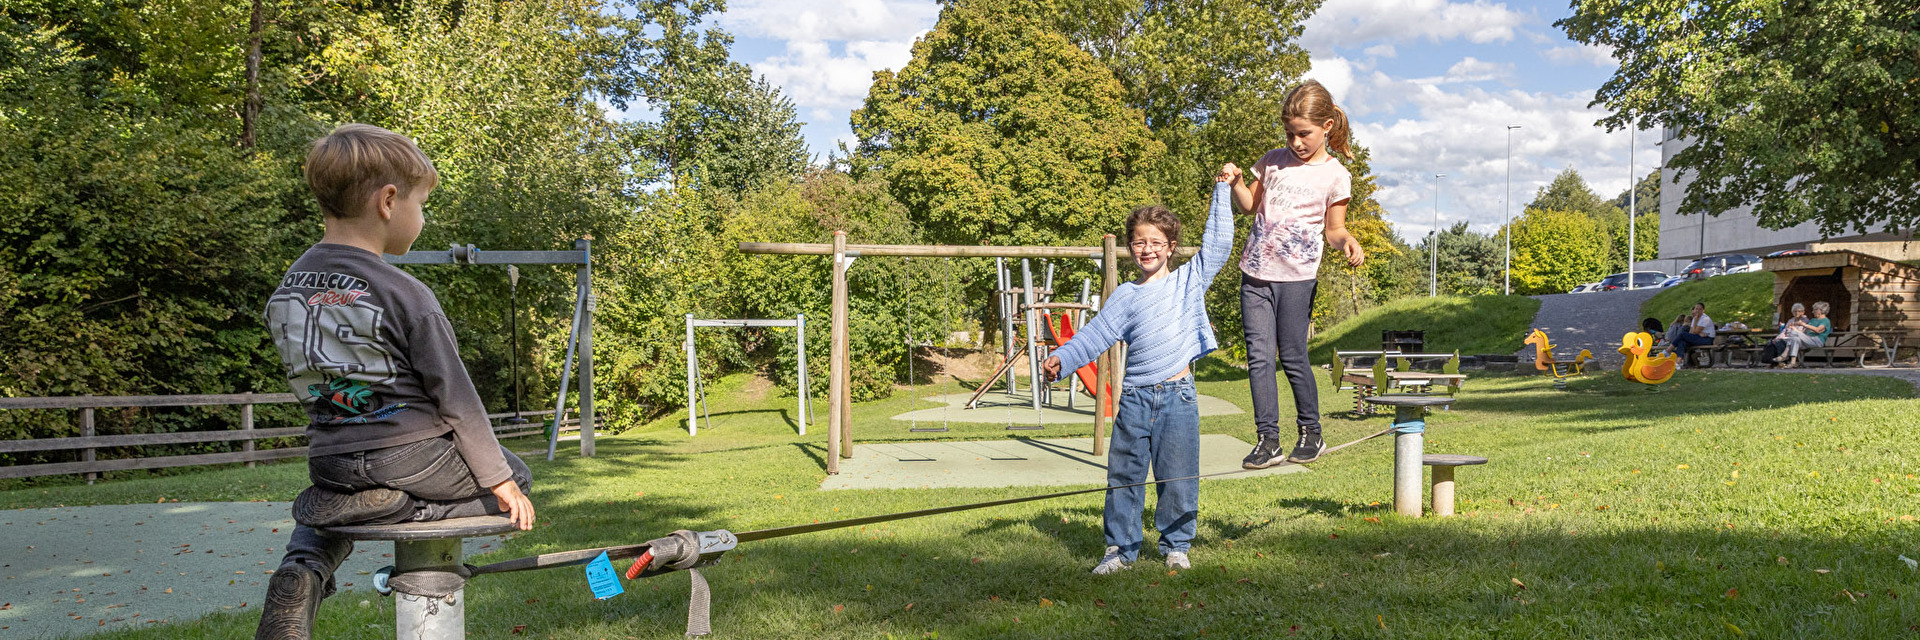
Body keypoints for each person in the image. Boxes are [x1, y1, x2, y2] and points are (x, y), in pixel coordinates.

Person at [256, 124, 536, 639]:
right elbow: (456, 400)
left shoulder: (289, 286)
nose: (422, 218)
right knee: (516, 477)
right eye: (421, 205)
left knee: (331, 509)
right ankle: (409, 506)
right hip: (412, 456)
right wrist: (499, 478)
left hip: (330, 459)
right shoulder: (404, 291)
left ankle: (304, 565)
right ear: (388, 201)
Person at [1040, 176, 1237, 575]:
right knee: (1124, 476)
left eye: (1156, 242)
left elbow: (1218, 244)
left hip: (1178, 396)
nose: (1147, 249)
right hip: (1133, 399)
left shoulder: (1189, 280)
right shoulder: (1125, 296)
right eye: (1139, 242)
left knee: (1178, 477)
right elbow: (1095, 335)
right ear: (1130, 248)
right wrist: (1063, 358)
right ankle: (1119, 551)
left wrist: (1222, 191)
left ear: (1170, 246)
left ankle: (1176, 547)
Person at [1227, 79, 1366, 469]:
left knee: (1292, 355)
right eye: (1290, 133)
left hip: (1297, 278)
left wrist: (1347, 241)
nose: (1296, 142)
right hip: (1255, 274)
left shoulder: (1335, 175)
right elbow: (1249, 206)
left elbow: (1334, 229)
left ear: (1326, 126)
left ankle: (1311, 433)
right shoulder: (1273, 161)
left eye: (1303, 133)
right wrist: (1237, 182)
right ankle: (1267, 440)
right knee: (1258, 358)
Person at [1762, 302, 1831, 368]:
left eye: (1815, 310)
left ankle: (1785, 355)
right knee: (1795, 339)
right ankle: (1793, 362)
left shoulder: (1825, 320)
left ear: (1821, 310)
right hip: (1808, 339)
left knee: (1792, 334)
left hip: (1817, 340)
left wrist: (1803, 325)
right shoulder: (1813, 320)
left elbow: (1818, 330)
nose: (1813, 311)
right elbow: (1804, 331)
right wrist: (1795, 329)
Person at [1666, 302, 1716, 367]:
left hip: (1707, 339)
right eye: (1696, 309)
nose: (1697, 310)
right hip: (1699, 337)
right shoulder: (1695, 318)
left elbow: (1695, 332)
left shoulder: (1705, 319)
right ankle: (1678, 362)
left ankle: (1667, 351)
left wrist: (1695, 323)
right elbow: (1691, 332)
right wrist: (1697, 329)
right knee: (1682, 342)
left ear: (1703, 310)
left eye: (1700, 309)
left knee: (1682, 335)